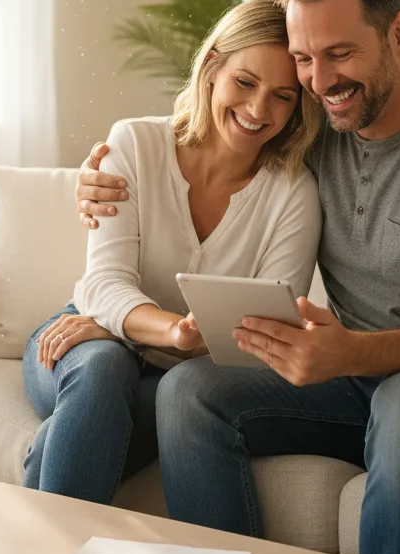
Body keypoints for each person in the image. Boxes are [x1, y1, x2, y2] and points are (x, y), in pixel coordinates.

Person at [73, 0, 400, 554]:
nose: (320, 81)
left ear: (399, 33)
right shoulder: (319, 129)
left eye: (340, 54)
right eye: (305, 58)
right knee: (189, 391)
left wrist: (354, 351)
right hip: (356, 384)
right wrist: (96, 182)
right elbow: (209, 130)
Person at [21, 0, 324, 506]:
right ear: (211, 70)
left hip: (168, 370)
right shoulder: (135, 143)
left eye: (282, 97)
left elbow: (269, 327)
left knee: (120, 416)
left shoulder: (293, 191)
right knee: (103, 368)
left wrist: (130, 328)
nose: (257, 110)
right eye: (244, 83)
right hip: (80, 337)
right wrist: (163, 331)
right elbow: (104, 284)